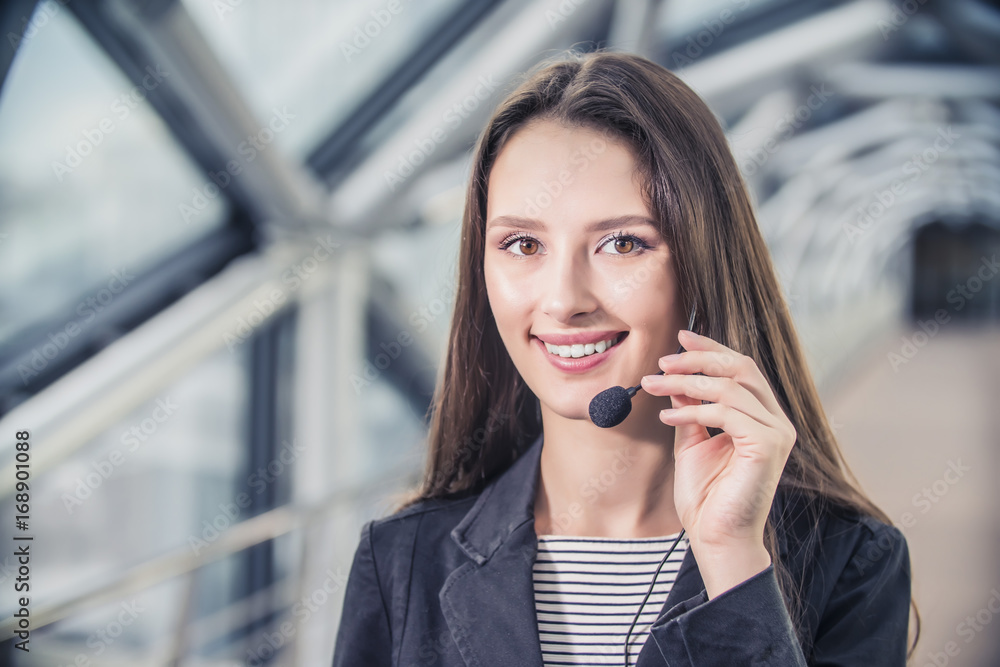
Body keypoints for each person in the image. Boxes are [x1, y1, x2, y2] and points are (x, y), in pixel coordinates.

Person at [330, 49, 919, 666]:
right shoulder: (402, 560)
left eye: (621, 243)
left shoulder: (851, 560)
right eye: (523, 243)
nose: (563, 300)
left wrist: (731, 561)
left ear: (700, 263)